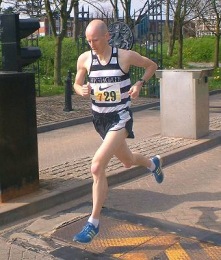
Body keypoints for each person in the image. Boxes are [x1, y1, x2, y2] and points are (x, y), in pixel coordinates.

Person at [73, 19, 164, 244]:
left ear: (107, 37)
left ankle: (93, 223)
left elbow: (151, 65)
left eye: (95, 39)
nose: (91, 44)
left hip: (120, 118)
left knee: (96, 166)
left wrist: (139, 83)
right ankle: (154, 164)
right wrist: (80, 89)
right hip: (99, 120)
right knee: (127, 160)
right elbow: (76, 83)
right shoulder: (85, 59)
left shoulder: (124, 56)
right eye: (88, 40)